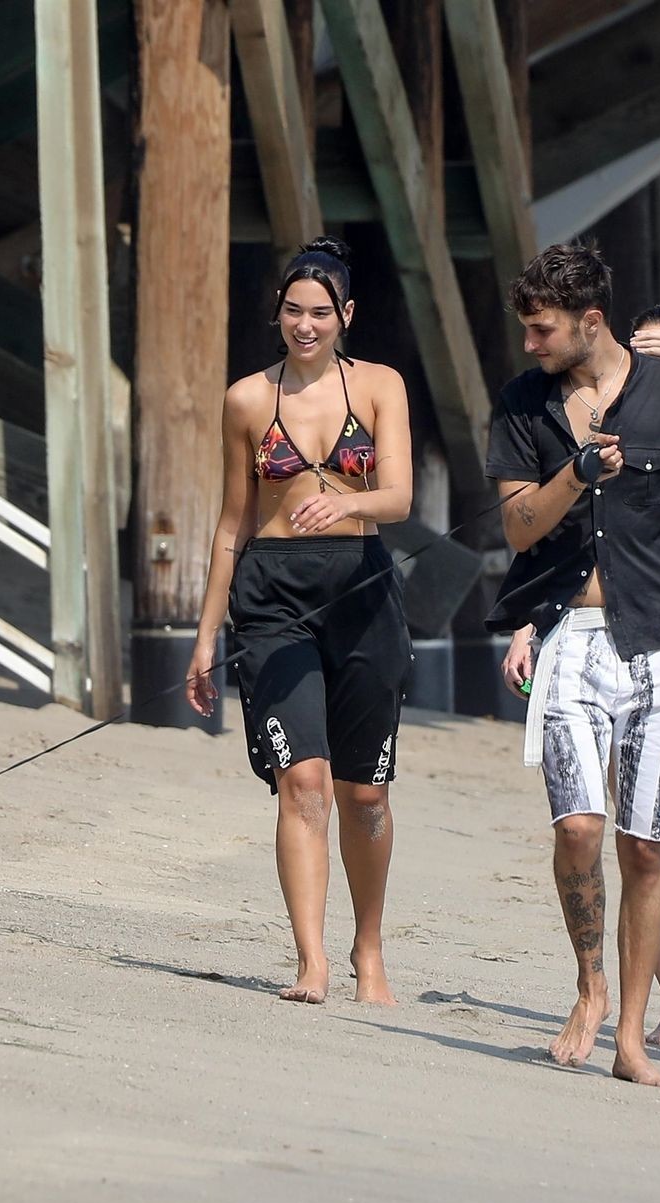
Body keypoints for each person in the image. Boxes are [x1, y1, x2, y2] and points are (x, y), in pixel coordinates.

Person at [485, 244, 660, 1089]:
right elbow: (518, 527)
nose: (530, 344)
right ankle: (589, 984)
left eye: (543, 330)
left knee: (648, 846)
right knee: (579, 829)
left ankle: (630, 1035)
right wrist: (576, 470)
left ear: (590, 322)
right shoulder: (523, 404)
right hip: (569, 636)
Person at [186, 237, 413, 1007]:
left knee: (366, 794)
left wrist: (347, 505)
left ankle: (368, 950)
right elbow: (232, 523)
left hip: (362, 592)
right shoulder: (248, 400)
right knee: (304, 781)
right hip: (273, 598)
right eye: (293, 311)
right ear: (277, 314)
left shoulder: (380, 386)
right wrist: (206, 636)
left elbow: (399, 499)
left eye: (320, 313)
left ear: (346, 314)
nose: (306, 325)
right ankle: (311, 960)